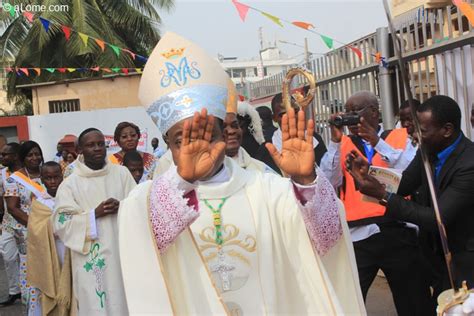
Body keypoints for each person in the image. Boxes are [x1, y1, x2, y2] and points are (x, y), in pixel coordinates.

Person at [118, 32, 365, 315]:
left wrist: (306, 181)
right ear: (168, 147)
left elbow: (327, 239)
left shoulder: (268, 190)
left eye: (206, 135)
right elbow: (140, 246)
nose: (196, 149)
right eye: (181, 141)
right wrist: (183, 181)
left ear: (227, 134)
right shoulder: (151, 202)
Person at [346, 95, 474, 304]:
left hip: (466, 259)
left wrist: (383, 196)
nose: (414, 135)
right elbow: (404, 183)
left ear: (447, 130)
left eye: (422, 130)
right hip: (438, 256)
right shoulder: (429, 150)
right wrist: (369, 174)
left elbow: (436, 219)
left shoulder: (469, 164)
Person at [319, 91, 432, 314]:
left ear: (373, 112)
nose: (351, 118)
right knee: (347, 300)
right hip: (359, 234)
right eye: (347, 113)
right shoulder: (342, 144)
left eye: (355, 112)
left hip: (397, 227)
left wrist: (378, 143)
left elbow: (412, 169)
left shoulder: (400, 136)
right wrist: (334, 141)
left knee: (414, 301)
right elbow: (327, 180)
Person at [53, 128, 136, 315]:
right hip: (90, 257)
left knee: (124, 301)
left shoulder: (122, 174)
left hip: (120, 253)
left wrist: (123, 206)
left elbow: (138, 205)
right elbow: (61, 221)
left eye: (100, 144)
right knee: (95, 302)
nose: (97, 148)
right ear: (80, 149)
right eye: (91, 145)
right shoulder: (70, 183)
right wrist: (93, 214)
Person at [27, 161, 74, 315]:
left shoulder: (70, 196)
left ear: (62, 176)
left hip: (69, 249)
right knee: (54, 283)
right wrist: (56, 224)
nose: (53, 182)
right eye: (48, 178)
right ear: (42, 178)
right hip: (50, 250)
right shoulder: (39, 203)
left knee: (72, 286)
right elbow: (35, 232)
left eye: (56, 177)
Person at [3, 141, 45, 313]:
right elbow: (13, 208)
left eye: (37, 154)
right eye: (30, 155)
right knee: (32, 271)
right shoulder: (14, 179)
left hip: (51, 228)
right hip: (28, 231)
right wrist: (36, 225)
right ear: (22, 158)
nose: (35, 158)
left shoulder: (48, 173)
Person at [257, 93, 327, 174]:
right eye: (283, 114)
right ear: (274, 118)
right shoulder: (266, 150)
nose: (291, 116)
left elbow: (329, 176)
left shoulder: (314, 140)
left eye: (295, 111)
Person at [0, 142, 22, 307]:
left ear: (15, 156)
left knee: (27, 259)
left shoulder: (26, 173)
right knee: (8, 257)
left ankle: (27, 289)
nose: (2, 157)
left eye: (5, 154)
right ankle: (15, 291)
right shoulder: (2, 174)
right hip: (8, 222)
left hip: (26, 223)